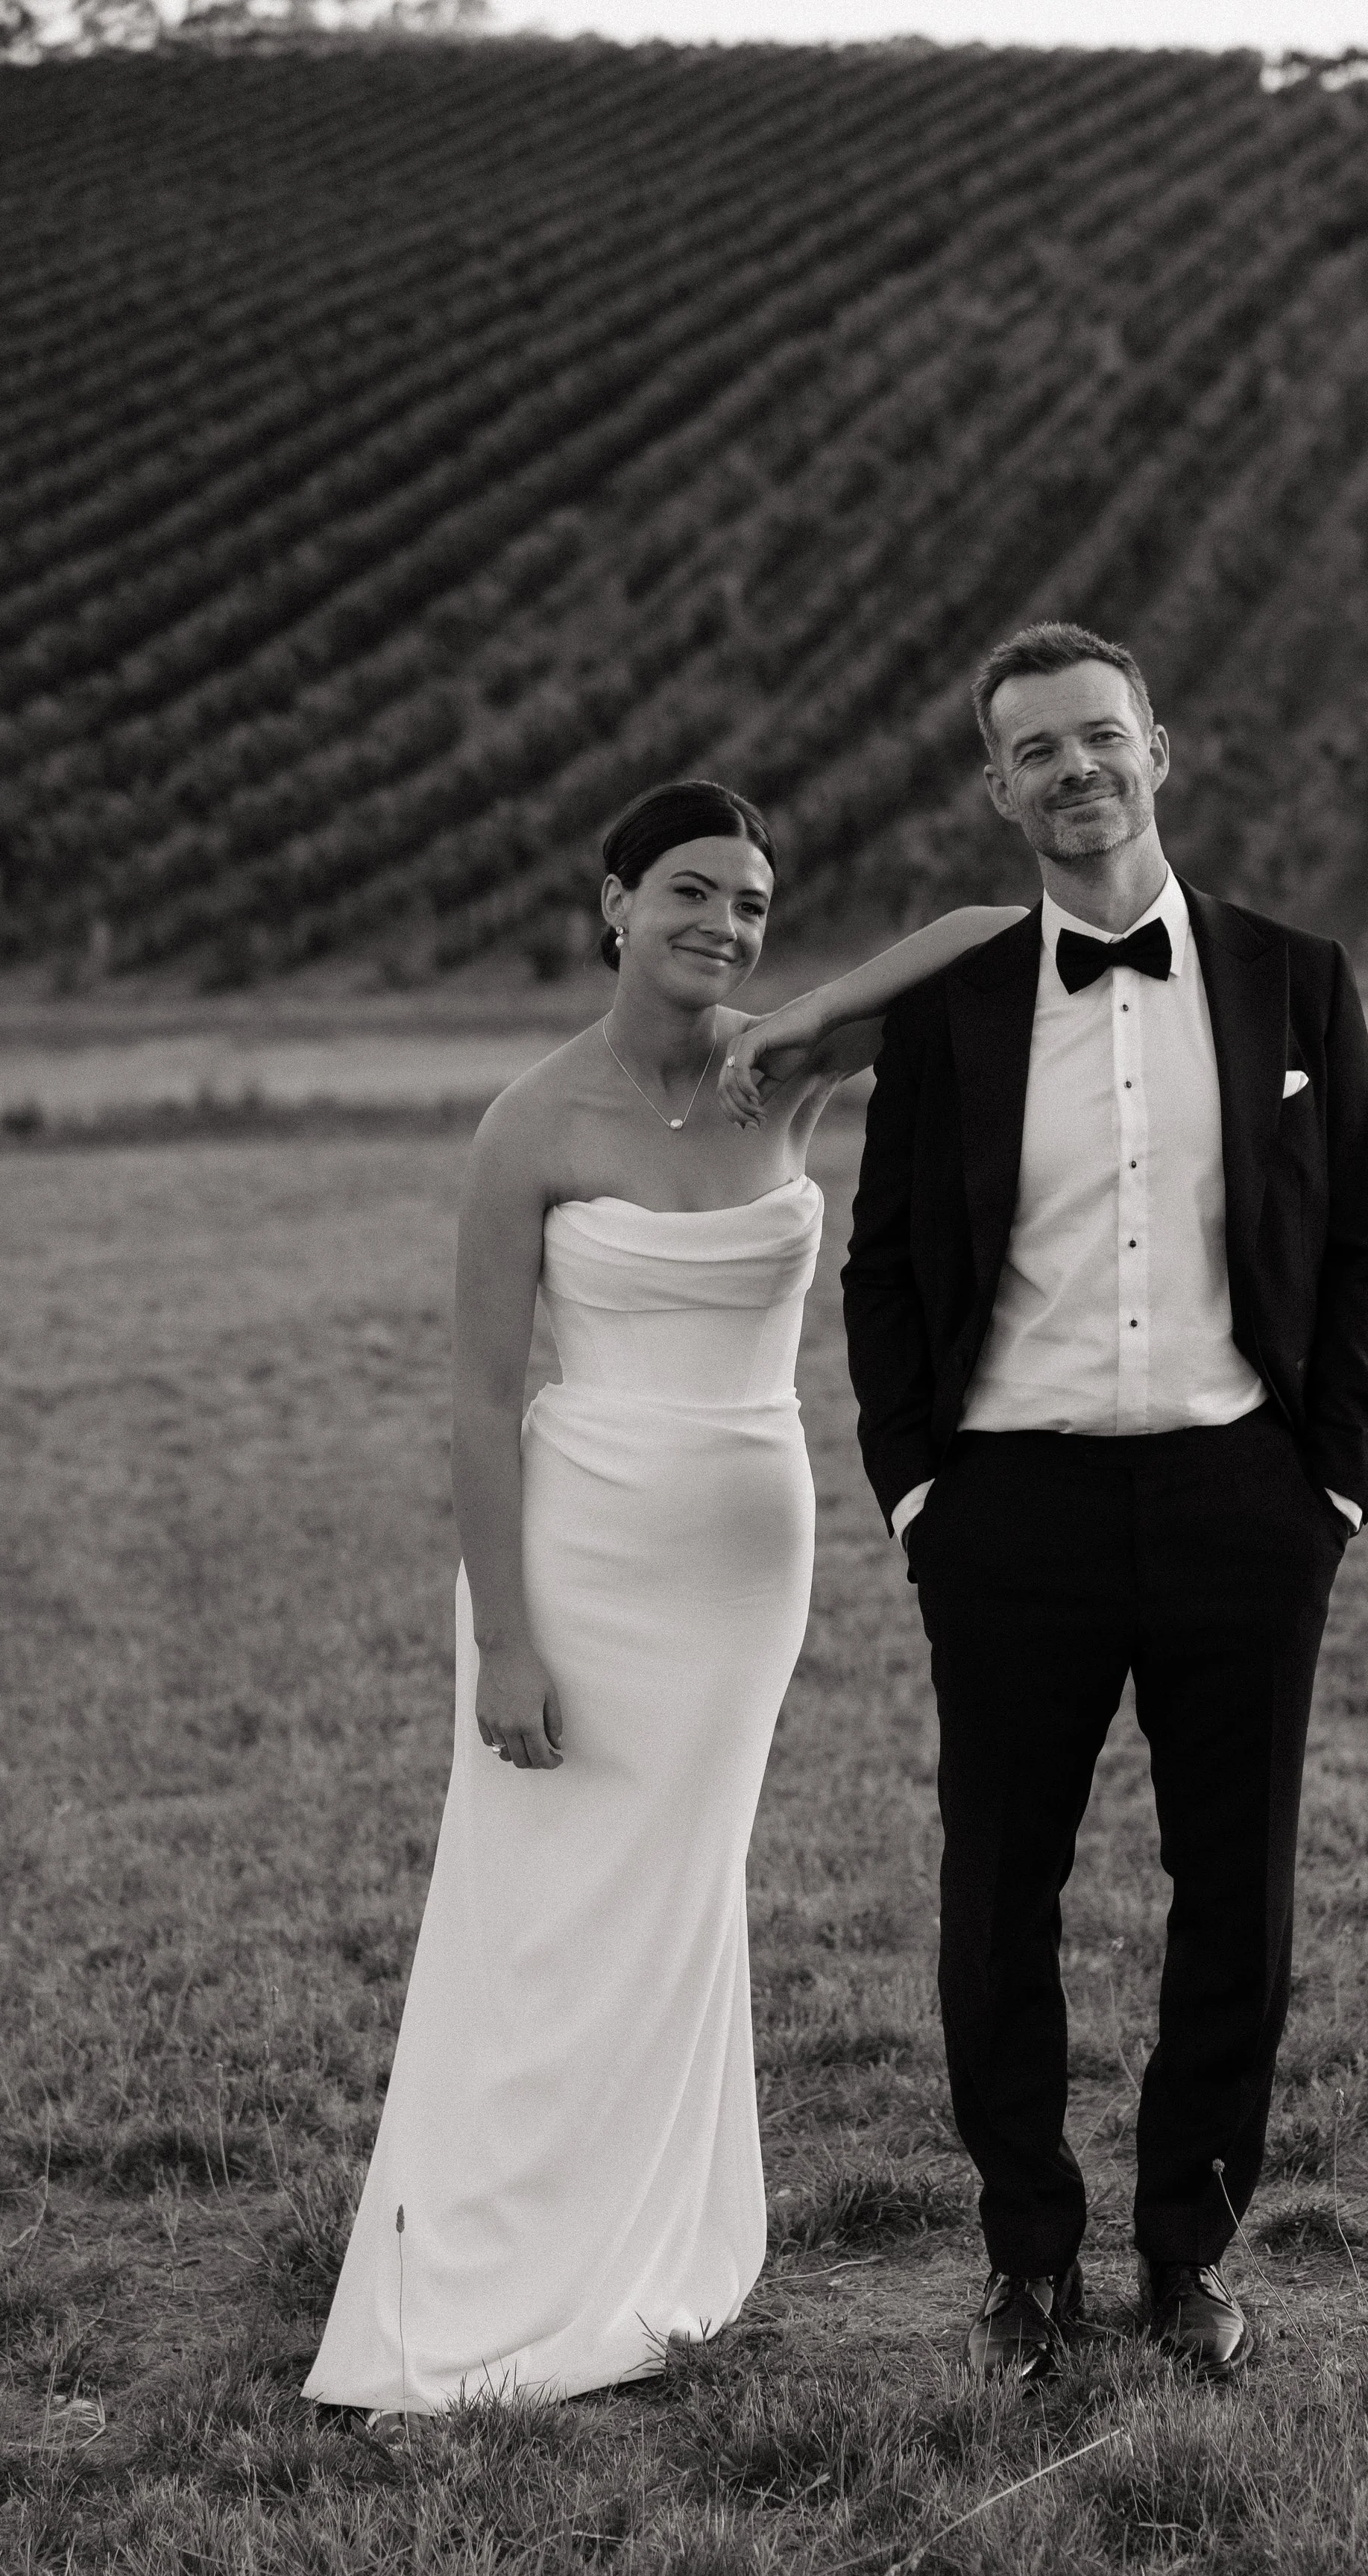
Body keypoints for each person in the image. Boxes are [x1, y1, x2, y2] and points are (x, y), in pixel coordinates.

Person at [722, 622, 1368, 2381]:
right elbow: (878, 1270)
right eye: (1034, 751)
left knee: (1233, 1897)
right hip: (1004, 1516)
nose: (1073, 771)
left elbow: (1356, 1252)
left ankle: (1187, 2256)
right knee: (994, 1894)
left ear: (1159, 748)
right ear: (995, 786)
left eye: (1099, 736)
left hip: (1241, 1501)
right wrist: (917, 1493)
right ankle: (1027, 2259)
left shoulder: (1293, 979)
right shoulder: (950, 1008)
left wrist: (1326, 1490)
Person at [305, 778, 1010, 2420]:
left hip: (745, 1568)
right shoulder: (530, 1126)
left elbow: (1002, 937)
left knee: (680, 1901)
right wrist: (510, 1641)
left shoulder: (791, 1072)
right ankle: (489, 2265)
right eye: (689, 891)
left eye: (752, 904)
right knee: (543, 1916)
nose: (722, 926)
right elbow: (482, 1405)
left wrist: (821, 1007)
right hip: (576, 1557)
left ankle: (653, 2240)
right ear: (613, 904)